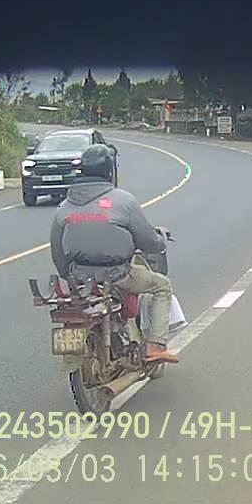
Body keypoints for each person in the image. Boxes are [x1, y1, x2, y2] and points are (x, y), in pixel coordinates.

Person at [49, 144, 179, 363]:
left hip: (80, 278)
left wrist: (68, 276)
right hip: (118, 274)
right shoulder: (124, 201)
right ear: (110, 171)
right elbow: (148, 241)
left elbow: (57, 250)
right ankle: (155, 346)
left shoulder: (64, 206)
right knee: (162, 286)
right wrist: (159, 242)